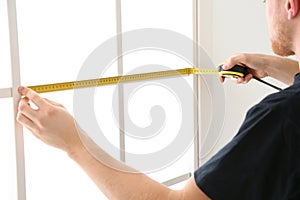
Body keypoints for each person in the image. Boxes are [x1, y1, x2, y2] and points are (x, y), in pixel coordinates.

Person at [17, 0, 300, 199]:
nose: (264, 8)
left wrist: (74, 143)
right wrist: (274, 65)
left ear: (290, 4)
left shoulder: (281, 118)